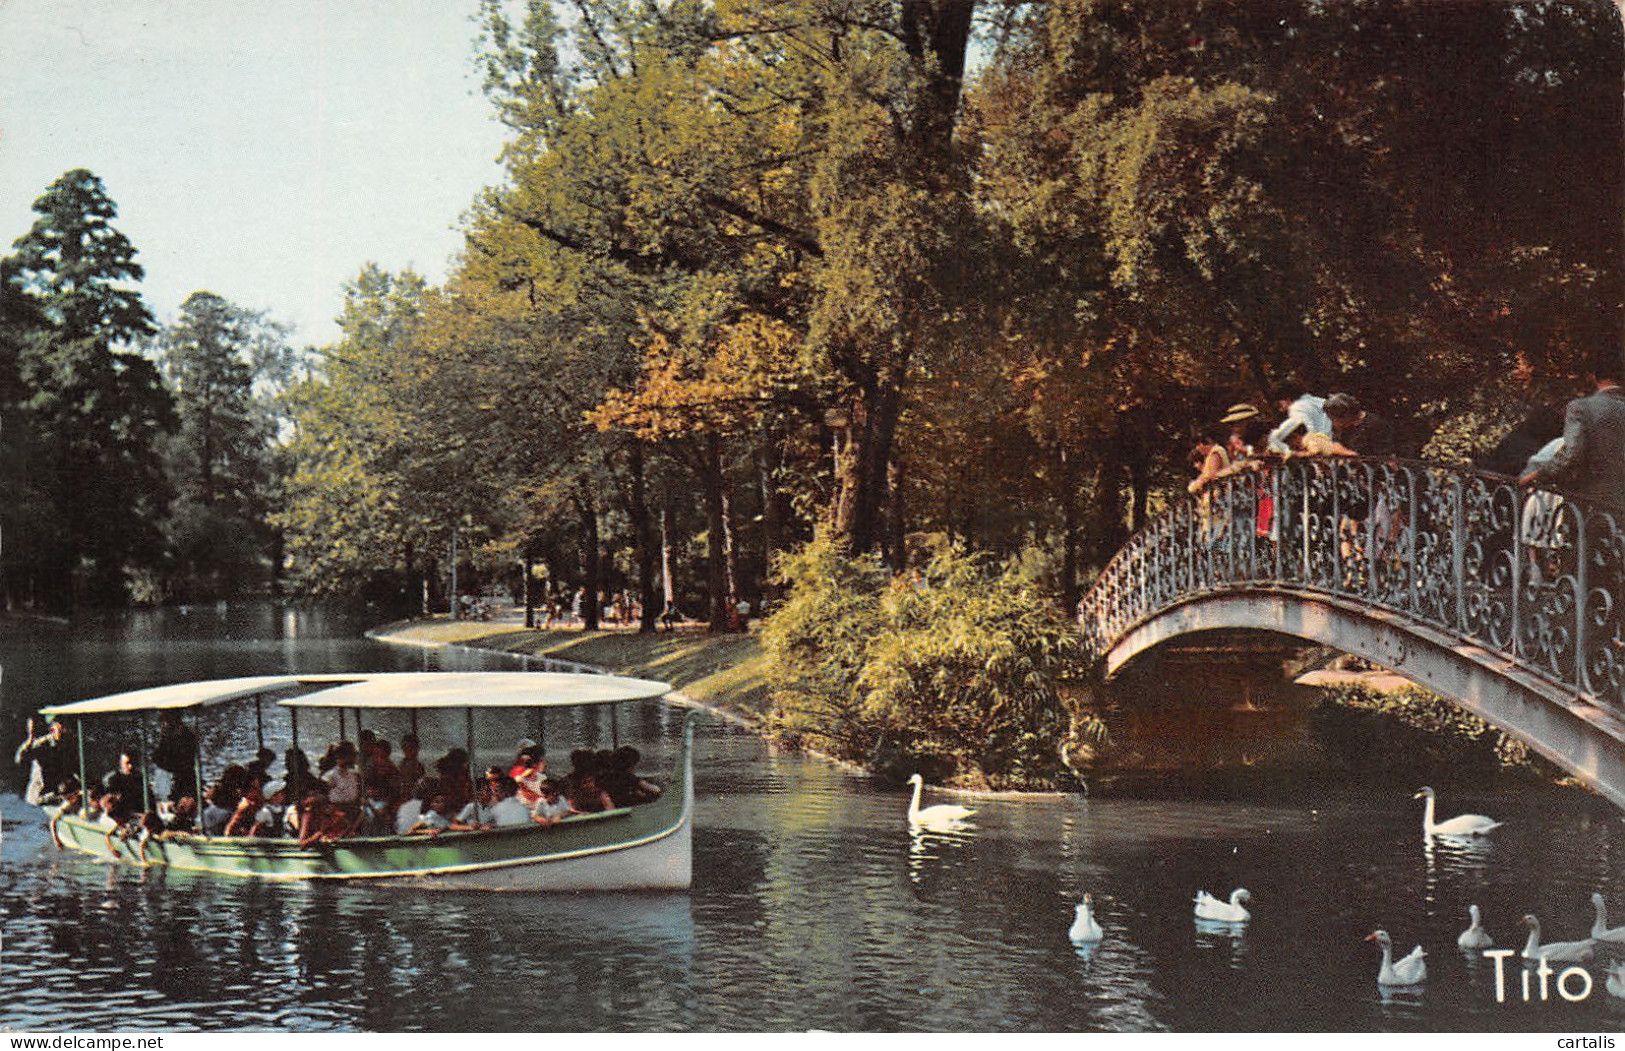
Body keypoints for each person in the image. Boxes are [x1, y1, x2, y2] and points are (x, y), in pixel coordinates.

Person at [1521, 365, 1625, 510]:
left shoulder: (1582, 407)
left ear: (1595, 378)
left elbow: (1572, 453)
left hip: (1589, 498)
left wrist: (1538, 474)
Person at [14, 717, 68, 806]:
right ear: (52, 730)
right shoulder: (42, 744)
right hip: (38, 796)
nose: (63, 732)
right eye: (60, 729)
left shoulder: (65, 744)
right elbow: (20, 758)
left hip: (55, 794)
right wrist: (29, 740)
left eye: (64, 729)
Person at [151, 709, 198, 803]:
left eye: (166, 721)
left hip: (185, 779)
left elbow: (184, 762)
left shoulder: (184, 735)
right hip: (175, 778)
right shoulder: (168, 735)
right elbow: (158, 756)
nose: (164, 725)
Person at [1267, 391, 1332, 454]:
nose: (1280, 410)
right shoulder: (1309, 401)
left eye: (1280, 405)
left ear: (1288, 399)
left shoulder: (1298, 407)